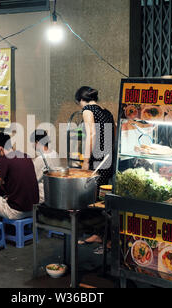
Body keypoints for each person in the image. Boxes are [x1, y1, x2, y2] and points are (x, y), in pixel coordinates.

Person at [74, 86, 115, 247]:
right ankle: (101, 235)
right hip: (107, 158)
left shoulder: (87, 110)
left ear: (80, 101)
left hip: (96, 159)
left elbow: (91, 134)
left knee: (92, 198)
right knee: (101, 198)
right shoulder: (106, 111)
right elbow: (113, 134)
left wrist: (85, 160)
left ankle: (104, 238)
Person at [29, 129, 59, 203]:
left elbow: (32, 181)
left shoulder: (40, 159)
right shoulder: (55, 153)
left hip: (43, 197)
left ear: (37, 142)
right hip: (55, 194)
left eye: (34, 143)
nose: (33, 146)